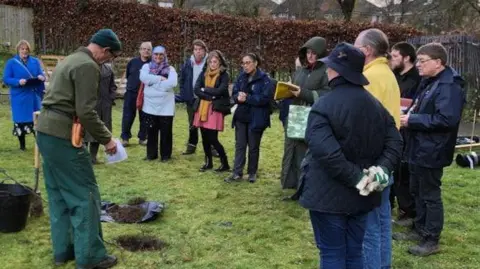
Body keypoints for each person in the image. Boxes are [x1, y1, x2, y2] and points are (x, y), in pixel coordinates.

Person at [296, 42, 402, 269]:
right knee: (354, 253)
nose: (327, 70)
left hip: (328, 195)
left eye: (330, 66)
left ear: (337, 72)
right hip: (362, 197)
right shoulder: (376, 106)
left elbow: (326, 153)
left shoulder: (323, 107)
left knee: (333, 254)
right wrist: (380, 170)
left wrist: (360, 178)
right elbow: (395, 141)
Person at [35, 29, 121, 268]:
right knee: (86, 194)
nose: (109, 61)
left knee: (59, 195)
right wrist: (108, 140)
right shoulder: (88, 66)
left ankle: (64, 250)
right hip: (63, 135)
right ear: (104, 50)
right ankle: (92, 256)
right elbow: (86, 111)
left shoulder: (71, 58)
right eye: (111, 56)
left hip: (45, 131)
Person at [395, 42, 465, 256]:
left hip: (433, 150)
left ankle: (431, 239)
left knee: (430, 194)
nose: (419, 66)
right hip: (418, 147)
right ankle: (419, 229)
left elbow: (447, 119)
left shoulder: (449, 86)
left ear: (438, 62)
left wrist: (412, 120)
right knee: (416, 189)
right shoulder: (430, 81)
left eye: (423, 61)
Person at [354, 28, 401, 269]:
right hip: (387, 159)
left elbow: (362, 123)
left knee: (369, 225)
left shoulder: (370, 78)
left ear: (368, 50)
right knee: (383, 220)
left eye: (356, 46)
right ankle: (383, 264)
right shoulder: (387, 73)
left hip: (372, 161)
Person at [280, 36, 329, 190]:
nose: (310, 56)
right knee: (291, 149)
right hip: (295, 114)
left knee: (305, 152)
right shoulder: (301, 71)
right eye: (308, 52)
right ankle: (290, 183)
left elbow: (326, 94)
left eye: (314, 53)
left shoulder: (326, 71)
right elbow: (295, 88)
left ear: (321, 54)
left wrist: (302, 93)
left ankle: (306, 185)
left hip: (313, 117)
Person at [225, 53, 273, 183]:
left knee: (253, 146)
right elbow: (234, 93)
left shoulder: (265, 79)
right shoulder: (241, 77)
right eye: (243, 63)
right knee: (240, 145)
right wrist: (237, 97)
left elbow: (265, 98)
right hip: (241, 116)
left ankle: (252, 172)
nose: (245, 66)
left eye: (248, 62)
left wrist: (248, 98)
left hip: (256, 117)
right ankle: (237, 172)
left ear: (256, 63)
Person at [389, 42, 422, 227]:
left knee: (404, 172)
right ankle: (392, 205)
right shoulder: (392, 76)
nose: (392, 60)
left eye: (395, 56)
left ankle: (408, 211)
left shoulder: (417, 79)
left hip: (409, 130)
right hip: (392, 128)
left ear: (406, 58)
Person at [2, 39, 45, 151]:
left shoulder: (35, 61)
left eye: (26, 49)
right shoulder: (12, 63)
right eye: (22, 49)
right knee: (21, 120)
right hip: (20, 96)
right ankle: (22, 146)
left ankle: (40, 145)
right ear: (18, 50)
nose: (24, 51)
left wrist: (41, 77)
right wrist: (17, 81)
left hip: (33, 95)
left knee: (36, 119)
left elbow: (41, 74)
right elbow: (6, 79)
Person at [192, 50, 231, 172]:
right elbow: (196, 89)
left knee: (213, 139)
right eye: (211, 62)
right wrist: (210, 96)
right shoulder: (204, 72)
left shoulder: (224, 75)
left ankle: (225, 163)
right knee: (204, 137)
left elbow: (220, 91)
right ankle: (208, 162)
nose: (213, 64)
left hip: (215, 109)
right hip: (203, 107)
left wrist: (206, 89)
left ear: (220, 62)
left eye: (215, 62)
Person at [140, 45, 178, 162]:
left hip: (166, 107)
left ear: (164, 55)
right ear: (152, 55)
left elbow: (172, 83)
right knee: (151, 131)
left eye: (161, 54)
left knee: (166, 132)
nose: (158, 57)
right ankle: (151, 155)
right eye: (156, 54)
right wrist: (160, 79)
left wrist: (153, 83)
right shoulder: (146, 66)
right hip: (150, 106)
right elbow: (143, 78)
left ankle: (165, 156)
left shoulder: (170, 69)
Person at [177, 39, 208, 155]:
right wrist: (185, 93)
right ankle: (191, 146)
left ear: (205, 51)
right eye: (196, 49)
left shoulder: (209, 63)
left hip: (205, 99)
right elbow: (182, 79)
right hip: (191, 99)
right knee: (192, 124)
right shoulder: (188, 63)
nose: (198, 52)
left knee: (207, 125)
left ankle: (211, 148)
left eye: (200, 49)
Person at [84, 63, 117, 164]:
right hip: (89, 105)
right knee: (85, 131)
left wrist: (111, 98)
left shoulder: (108, 69)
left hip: (104, 105)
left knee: (99, 130)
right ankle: (84, 157)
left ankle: (93, 157)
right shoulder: (86, 67)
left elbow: (113, 86)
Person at [120, 41, 152, 147]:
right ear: (140, 50)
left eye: (148, 49)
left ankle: (143, 138)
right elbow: (129, 75)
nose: (146, 51)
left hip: (146, 94)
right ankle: (125, 138)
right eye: (144, 49)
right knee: (128, 116)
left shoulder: (153, 64)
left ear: (151, 52)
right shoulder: (133, 62)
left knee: (145, 117)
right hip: (131, 93)